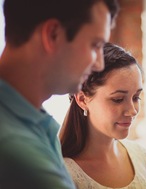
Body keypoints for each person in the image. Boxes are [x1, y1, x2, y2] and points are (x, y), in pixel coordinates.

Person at [0, 0, 119, 188]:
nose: (99, 64)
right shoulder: (15, 146)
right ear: (53, 35)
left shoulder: (31, 120)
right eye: (95, 45)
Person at [59, 42, 146, 189]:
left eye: (136, 97)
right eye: (117, 99)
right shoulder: (65, 175)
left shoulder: (141, 156)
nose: (133, 111)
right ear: (82, 100)